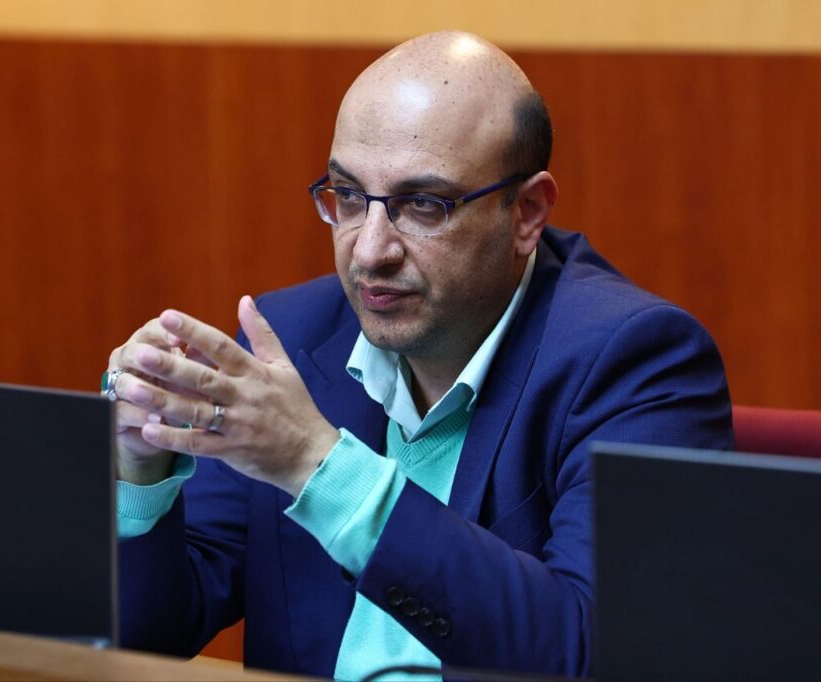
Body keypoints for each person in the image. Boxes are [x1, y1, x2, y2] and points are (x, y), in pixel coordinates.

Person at [105, 31, 733, 679]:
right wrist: (140, 471)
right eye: (350, 196)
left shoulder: (638, 362)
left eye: (424, 205)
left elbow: (592, 655)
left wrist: (315, 465)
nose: (370, 250)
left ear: (526, 212)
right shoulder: (291, 338)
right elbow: (150, 636)